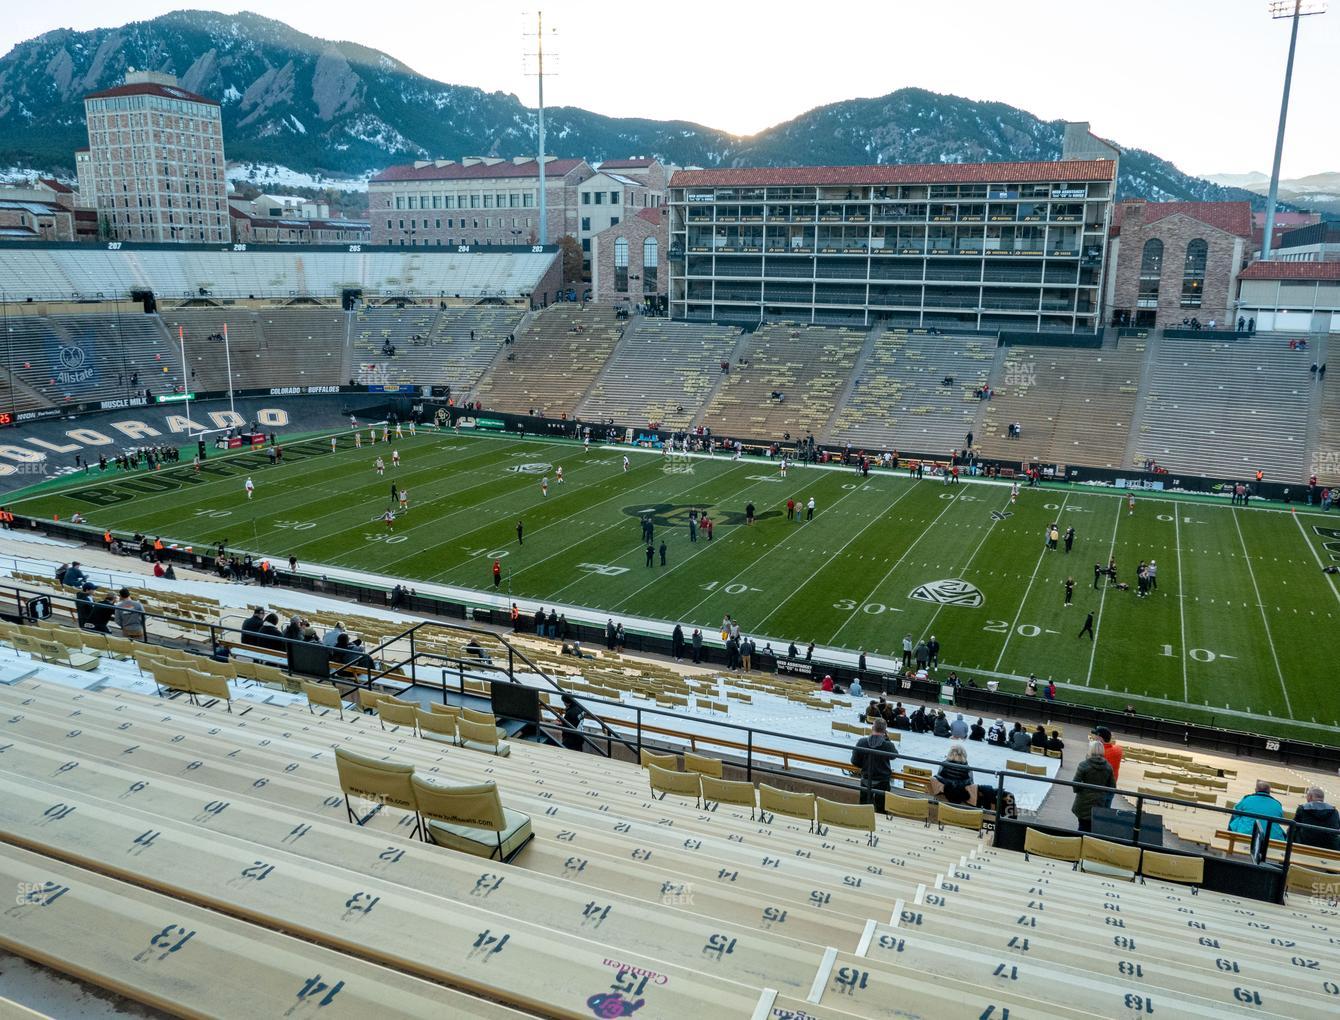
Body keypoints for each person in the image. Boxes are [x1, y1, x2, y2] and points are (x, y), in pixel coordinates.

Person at [1070, 740, 1116, 832]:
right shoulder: (1108, 767)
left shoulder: (1083, 765)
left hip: (1083, 803)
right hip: (1099, 803)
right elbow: (1112, 787)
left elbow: (1075, 785)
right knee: (1095, 830)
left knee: (1082, 827)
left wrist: (1082, 789)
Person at [851, 718, 896, 812]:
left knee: (863, 808)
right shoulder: (888, 745)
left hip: (866, 779)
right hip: (882, 781)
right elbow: (894, 756)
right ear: (885, 730)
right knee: (882, 809)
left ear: (872, 728)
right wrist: (887, 739)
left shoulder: (861, 742)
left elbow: (854, 761)